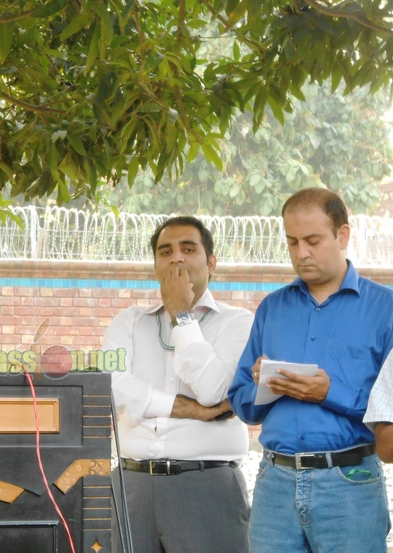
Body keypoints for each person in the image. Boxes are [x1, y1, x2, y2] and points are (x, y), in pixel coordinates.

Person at [228, 187, 393, 553]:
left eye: (313, 240)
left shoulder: (385, 310)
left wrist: (329, 394)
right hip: (276, 483)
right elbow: (241, 403)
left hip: (350, 481)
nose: (302, 253)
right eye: (292, 242)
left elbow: (390, 411)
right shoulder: (272, 308)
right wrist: (262, 385)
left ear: (343, 235)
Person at [104, 216, 253, 553]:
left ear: (211, 263)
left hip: (206, 484)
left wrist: (179, 313)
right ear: (156, 264)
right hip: (132, 486)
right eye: (165, 251)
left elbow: (213, 390)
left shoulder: (238, 323)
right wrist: (190, 410)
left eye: (188, 249)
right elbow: (111, 387)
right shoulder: (129, 322)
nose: (177, 259)